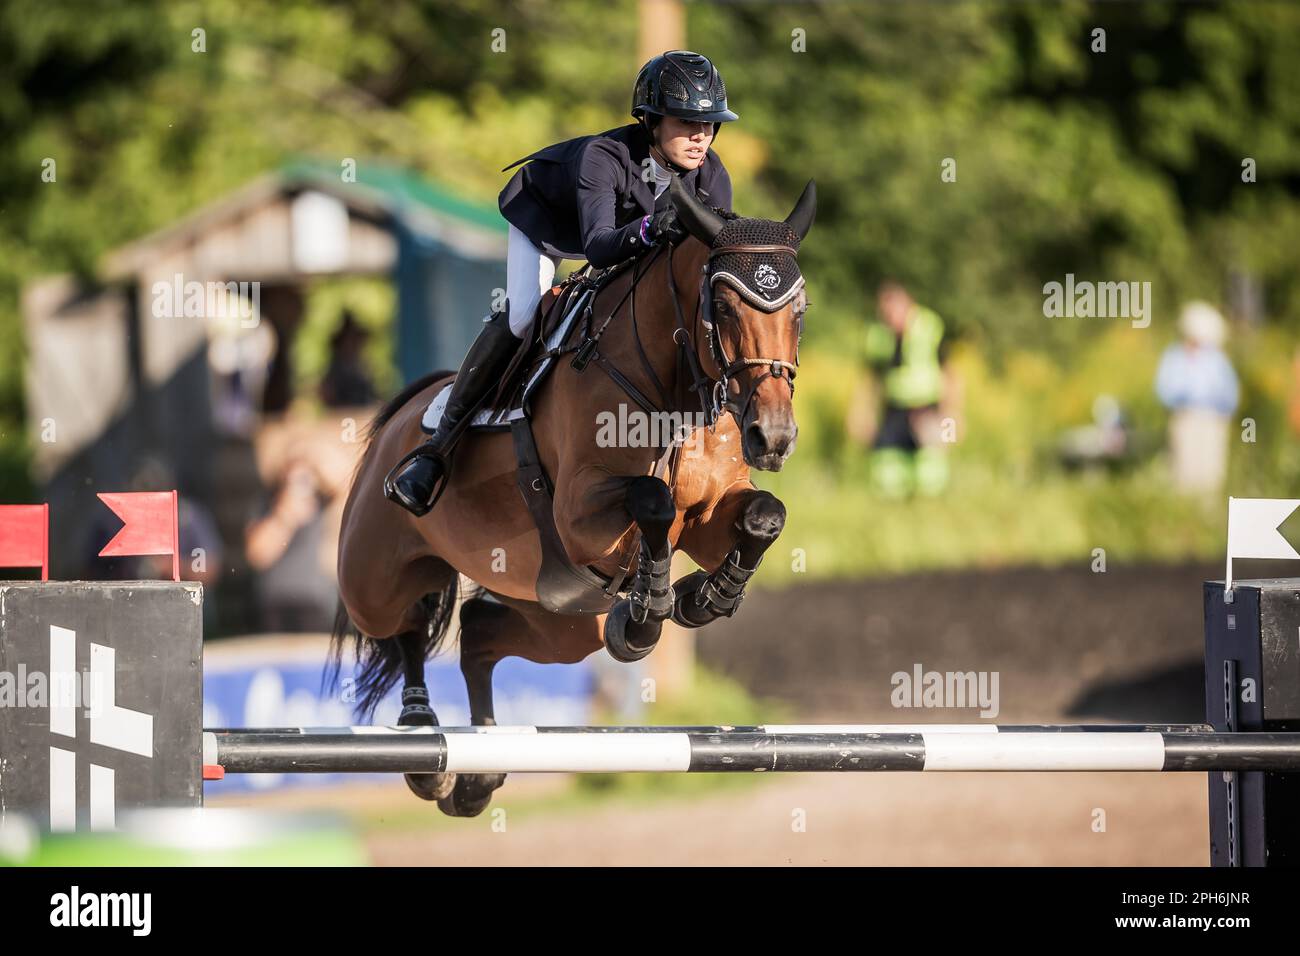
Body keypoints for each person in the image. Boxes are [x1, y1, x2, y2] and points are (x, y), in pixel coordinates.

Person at [385, 50, 738, 516]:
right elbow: (597, 246)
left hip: (623, 240)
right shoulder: (603, 157)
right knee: (524, 316)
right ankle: (438, 449)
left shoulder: (712, 175)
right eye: (685, 122)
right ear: (651, 121)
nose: (700, 136)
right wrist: (652, 229)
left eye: (709, 124)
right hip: (550, 224)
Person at [862, 282, 950, 497]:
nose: (891, 318)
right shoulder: (878, 334)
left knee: (930, 475)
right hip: (893, 410)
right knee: (887, 473)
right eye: (886, 313)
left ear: (909, 304)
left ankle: (929, 517)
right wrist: (863, 414)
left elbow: (951, 374)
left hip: (927, 407)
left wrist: (951, 418)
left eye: (894, 311)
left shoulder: (931, 327)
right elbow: (871, 378)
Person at [1155, 301, 1239, 494]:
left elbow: (1229, 393)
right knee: (1185, 472)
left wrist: (1220, 410)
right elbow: (1164, 390)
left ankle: (1207, 517)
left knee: (1212, 472)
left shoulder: (1217, 359)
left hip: (1213, 420)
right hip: (1185, 417)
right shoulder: (1174, 356)